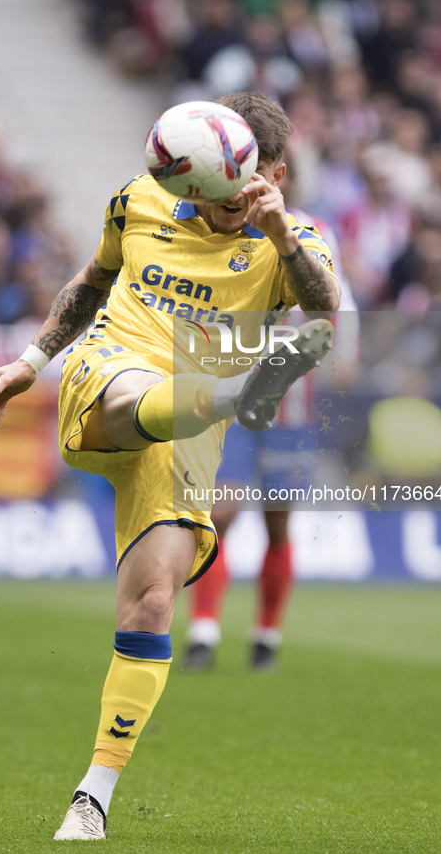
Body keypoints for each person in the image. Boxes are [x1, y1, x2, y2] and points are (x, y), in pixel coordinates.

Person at [0, 92, 340, 841]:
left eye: (233, 193)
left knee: (150, 606)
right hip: (115, 368)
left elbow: (324, 311)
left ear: (271, 174)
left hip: (188, 430)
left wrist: (276, 235)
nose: (213, 203)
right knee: (139, 397)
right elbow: (94, 279)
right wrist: (32, 360)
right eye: (202, 192)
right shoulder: (139, 199)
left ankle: (90, 796)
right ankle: (227, 391)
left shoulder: (293, 238)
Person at [184, 210, 360, 672]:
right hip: (231, 403)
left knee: (277, 524)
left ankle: (266, 637)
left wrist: (342, 351)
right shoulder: (223, 226)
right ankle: (203, 635)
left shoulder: (311, 230)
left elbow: (338, 303)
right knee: (219, 514)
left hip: (291, 412)